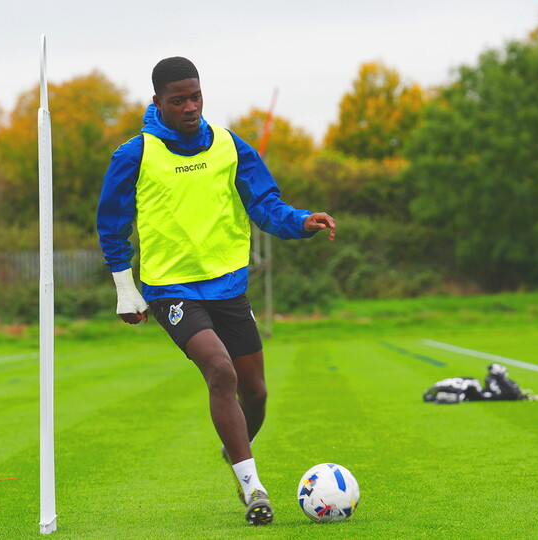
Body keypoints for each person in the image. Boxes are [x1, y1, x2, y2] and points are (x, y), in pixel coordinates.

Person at [96, 56, 336, 525]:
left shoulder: (230, 146)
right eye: (178, 100)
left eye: (196, 97)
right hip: (171, 289)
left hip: (229, 287)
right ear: (157, 102)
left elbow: (264, 204)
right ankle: (254, 489)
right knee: (220, 371)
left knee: (257, 394)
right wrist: (125, 287)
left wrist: (301, 221)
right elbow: (112, 223)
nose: (190, 107)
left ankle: (236, 449)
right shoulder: (134, 154)